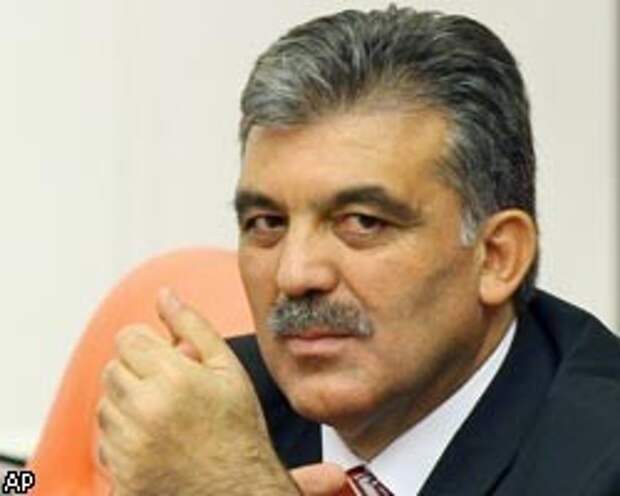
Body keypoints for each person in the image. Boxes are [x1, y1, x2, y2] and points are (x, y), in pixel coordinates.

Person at [96, 5, 620, 495]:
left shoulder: (601, 455)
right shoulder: (212, 410)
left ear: (497, 257)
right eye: (267, 223)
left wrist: (239, 485)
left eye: (362, 222)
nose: (295, 274)